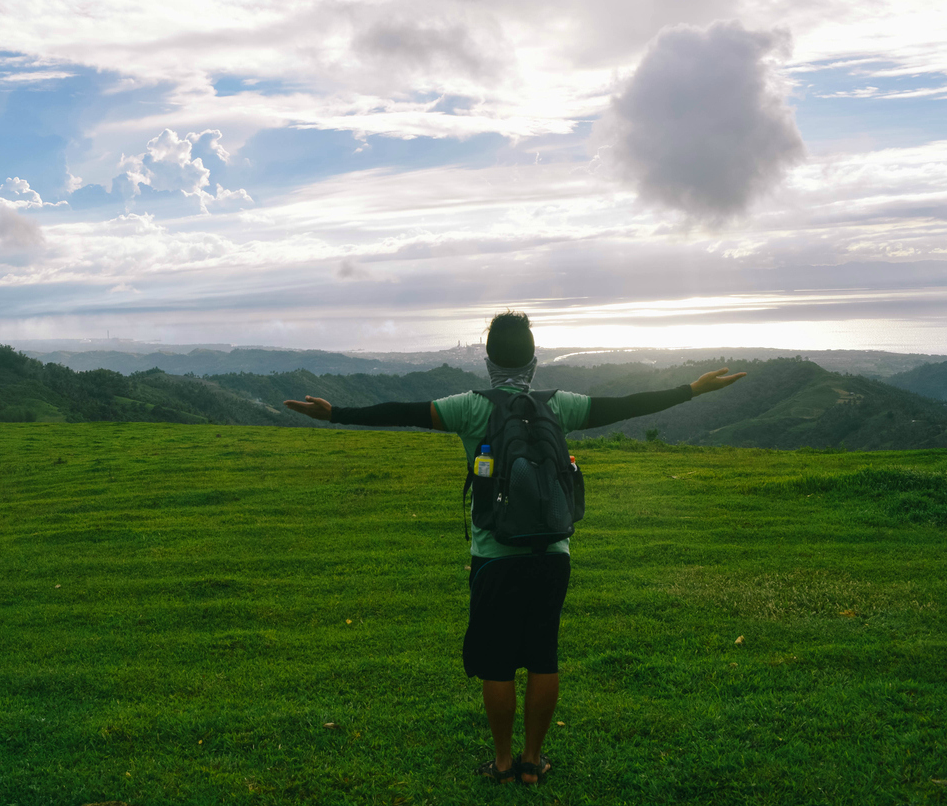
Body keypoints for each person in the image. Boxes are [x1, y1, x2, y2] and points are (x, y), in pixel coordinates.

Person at [284, 311, 745, 785]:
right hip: (553, 552)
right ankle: (532, 762)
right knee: (544, 654)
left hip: (495, 555)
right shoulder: (560, 405)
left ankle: (502, 762)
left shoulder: (469, 407)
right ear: (533, 359)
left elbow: (400, 411)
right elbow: (626, 405)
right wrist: (692, 389)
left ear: (487, 359)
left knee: (498, 661)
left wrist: (335, 413)